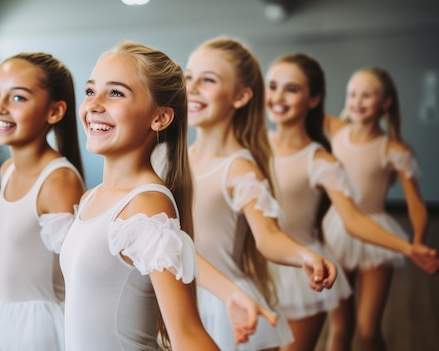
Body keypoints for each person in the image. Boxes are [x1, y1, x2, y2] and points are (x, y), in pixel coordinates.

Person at [59, 40, 234, 351]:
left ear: (160, 118)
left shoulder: (146, 206)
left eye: (115, 93)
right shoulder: (91, 199)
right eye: (90, 91)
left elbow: (188, 336)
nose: (94, 104)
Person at [184, 36, 338, 351]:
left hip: (223, 305)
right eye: (188, 77)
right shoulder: (172, 157)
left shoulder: (239, 168)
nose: (193, 87)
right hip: (176, 293)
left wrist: (305, 255)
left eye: (208, 80)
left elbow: (267, 236)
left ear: (240, 97)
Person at [0, 52, 86, 351]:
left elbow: (81, 272)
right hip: (0, 311)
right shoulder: (8, 170)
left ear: (55, 111)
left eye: (18, 98)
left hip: (40, 328)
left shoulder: (58, 181)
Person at [321, 67, 439, 351]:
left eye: (367, 95)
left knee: (367, 330)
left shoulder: (394, 149)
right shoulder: (335, 130)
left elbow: (415, 204)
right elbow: (302, 106)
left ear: (385, 102)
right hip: (337, 228)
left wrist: (418, 242)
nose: (357, 101)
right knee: (339, 328)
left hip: (376, 234)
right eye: (352, 94)